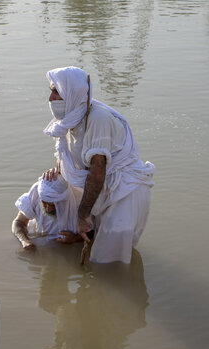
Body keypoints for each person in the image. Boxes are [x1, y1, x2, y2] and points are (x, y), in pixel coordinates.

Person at [42, 66, 155, 264]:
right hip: (102, 193)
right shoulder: (68, 121)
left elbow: (97, 171)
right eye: (51, 92)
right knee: (101, 254)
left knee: (108, 264)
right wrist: (57, 178)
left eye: (56, 92)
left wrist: (83, 215)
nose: (50, 99)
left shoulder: (98, 119)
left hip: (123, 194)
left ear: (72, 93)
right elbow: (67, 158)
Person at [12, 175, 87, 251]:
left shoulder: (79, 204)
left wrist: (76, 238)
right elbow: (18, 222)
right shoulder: (36, 196)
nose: (48, 209)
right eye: (44, 203)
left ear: (62, 202)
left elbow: (94, 232)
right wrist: (25, 241)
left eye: (53, 205)